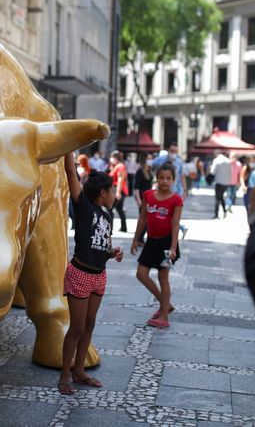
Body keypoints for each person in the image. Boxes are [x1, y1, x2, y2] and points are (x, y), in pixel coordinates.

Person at [58, 152, 123, 395]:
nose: (115, 194)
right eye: (112, 190)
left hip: (99, 275)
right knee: (76, 328)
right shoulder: (82, 205)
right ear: (103, 193)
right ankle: (65, 374)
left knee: (89, 324)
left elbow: (101, 245)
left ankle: (79, 370)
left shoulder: (107, 216)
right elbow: (70, 173)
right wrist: (69, 149)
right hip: (80, 274)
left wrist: (112, 251)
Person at [130, 163, 183, 328]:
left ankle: (164, 316)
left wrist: (173, 248)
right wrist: (135, 239)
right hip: (151, 241)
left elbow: (175, 225)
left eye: (168, 178)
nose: (164, 181)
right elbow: (142, 219)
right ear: (156, 178)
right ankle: (165, 303)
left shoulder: (176, 200)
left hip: (167, 244)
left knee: (163, 277)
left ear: (173, 180)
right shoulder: (148, 195)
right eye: (161, 177)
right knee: (141, 274)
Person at [108, 151, 129, 232]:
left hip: (119, 190)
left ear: (116, 158)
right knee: (119, 210)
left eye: (112, 157)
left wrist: (118, 192)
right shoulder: (116, 166)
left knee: (110, 208)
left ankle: (110, 227)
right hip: (119, 190)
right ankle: (124, 227)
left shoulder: (120, 166)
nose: (111, 159)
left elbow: (120, 179)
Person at [209, 150, 232, 218]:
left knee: (217, 198)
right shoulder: (228, 161)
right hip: (226, 182)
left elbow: (212, 172)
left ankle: (216, 214)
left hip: (219, 182)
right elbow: (230, 172)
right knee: (221, 197)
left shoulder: (216, 160)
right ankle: (224, 211)